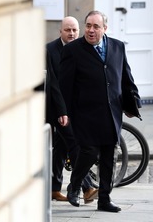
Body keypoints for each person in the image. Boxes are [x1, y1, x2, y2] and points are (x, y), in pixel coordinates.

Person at [59, 11, 141, 212]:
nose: (91, 30)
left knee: (109, 156)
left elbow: (125, 78)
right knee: (89, 151)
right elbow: (64, 85)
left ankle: (104, 199)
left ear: (105, 28)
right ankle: (75, 184)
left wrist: (133, 102)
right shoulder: (73, 50)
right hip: (85, 113)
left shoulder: (118, 47)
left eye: (96, 26)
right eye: (88, 25)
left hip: (111, 111)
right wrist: (63, 111)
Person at [44, 16, 98, 203]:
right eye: (68, 30)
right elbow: (54, 85)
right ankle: (87, 187)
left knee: (60, 148)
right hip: (57, 109)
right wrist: (61, 112)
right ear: (60, 31)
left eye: (75, 30)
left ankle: (53, 188)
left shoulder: (81, 48)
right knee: (75, 145)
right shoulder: (50, 50)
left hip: (76, 108)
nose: (72, 33)